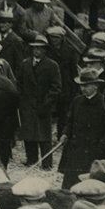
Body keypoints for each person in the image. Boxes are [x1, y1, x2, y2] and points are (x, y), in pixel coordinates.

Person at [15, 33, 61, 169]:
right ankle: (31, 160)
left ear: (45, 50)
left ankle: (46, 164)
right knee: (29, 135)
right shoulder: (25, 64)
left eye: (40, 48)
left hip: (43, 106)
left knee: (44, 136)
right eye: (35, 48)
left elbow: (56, 88)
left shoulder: (52, 66)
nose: (37, 51)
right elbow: (19, 83)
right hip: (27, 105)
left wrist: (46, 104)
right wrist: (22, 100)